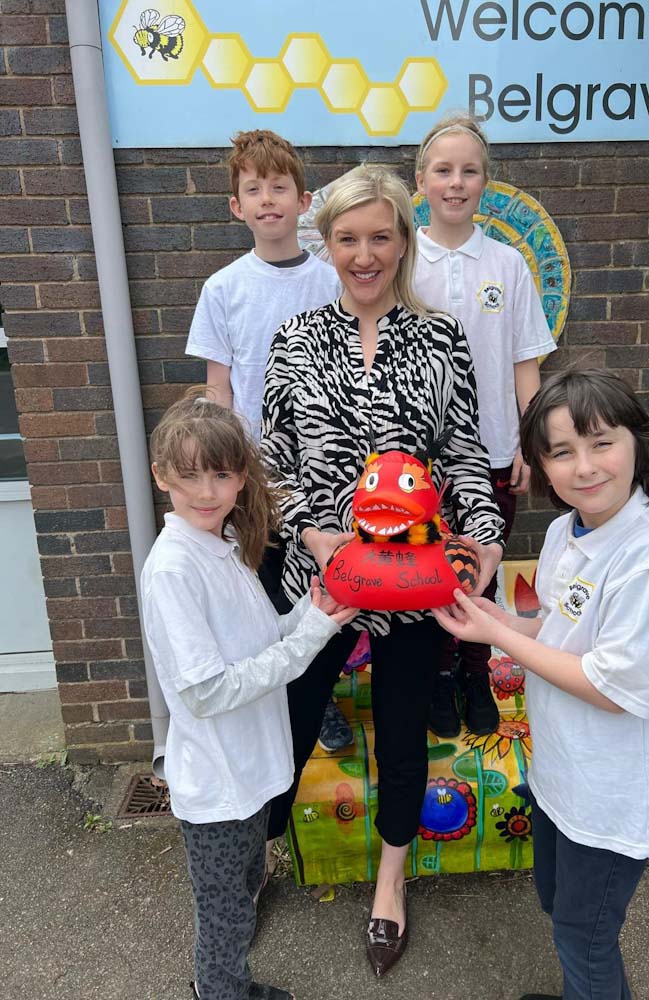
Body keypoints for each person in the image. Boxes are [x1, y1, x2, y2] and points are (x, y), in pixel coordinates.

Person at [261, 164, 505, 977]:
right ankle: (257, 861)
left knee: (402, 735)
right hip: (322, 587)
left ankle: (390, 888)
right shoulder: (297, 341)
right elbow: (271, 463)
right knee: (288, 724)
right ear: (325, 243)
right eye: (347, 238)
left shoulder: (440, 339)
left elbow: (465, 451)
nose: (365, 255)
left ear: (403, 239)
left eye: (380, 236)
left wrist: (487, 538)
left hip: (411, 592)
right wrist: (318, 536)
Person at [432, 369, 649, 1000]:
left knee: (586, 936)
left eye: (601, 442)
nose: (585, 467)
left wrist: (500, 640)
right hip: (563, 773)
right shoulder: (564, 531)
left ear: (636, 441)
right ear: (540, 467)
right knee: (558, 905)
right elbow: (561, 626)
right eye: (561, 451)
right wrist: (501, 619)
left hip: (613, 795)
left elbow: (612, 685)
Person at [141, 391, 356, 1000]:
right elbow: (208, 690)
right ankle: (223, 991)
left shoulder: (224, 548)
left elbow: (256, 642)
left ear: (241, 477)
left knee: (240, 891)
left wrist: (307, 614)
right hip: (218, 785)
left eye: (221, 474)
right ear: (161, 476)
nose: (207, 491)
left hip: (249, 769)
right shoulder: (174, 570)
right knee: (226, 912)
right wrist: (310, 636)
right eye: (189, 476)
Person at [184, 128, 352, 755]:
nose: (267, 199)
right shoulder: (223, 288)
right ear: (236, 206)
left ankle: (320, 696)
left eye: (279, 186)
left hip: (325, 471)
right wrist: (220, 474)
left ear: (304, 200)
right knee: (267, 592)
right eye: (252, 189)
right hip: (254, 479)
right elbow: (218, 390)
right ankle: (278, 701)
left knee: (324, 589)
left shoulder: (332, 279)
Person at [414, 112, 557, 738]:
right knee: (423, 568)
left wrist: (530, 441)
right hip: (416, 460)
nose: (455, 182)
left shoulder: (508, 266)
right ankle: (439, 676)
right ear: (420, 181)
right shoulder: (401, 261)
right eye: (442, 170)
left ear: (485, 183)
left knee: (480, 568)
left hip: (494, 451)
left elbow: (525, 364)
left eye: (468, 171)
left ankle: (475, 670)